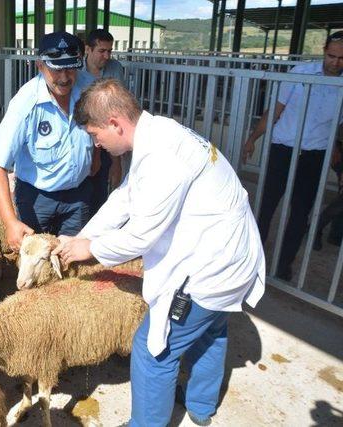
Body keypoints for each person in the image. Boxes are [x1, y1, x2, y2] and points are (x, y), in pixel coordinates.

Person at [54, 79, 266, 426]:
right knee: (210, 329)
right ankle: (200, 406)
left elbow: (139, 237)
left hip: (211, 269)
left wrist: (88, 250)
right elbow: (126, 196)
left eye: (95, 135)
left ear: (115, 123)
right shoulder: (158, 133)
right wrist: (84, 235)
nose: (96, 143)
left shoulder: (163, 158)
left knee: (153, 352)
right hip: (233, 255)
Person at [242, 31, 343, 280]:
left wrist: (337, 155)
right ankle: (253, 261)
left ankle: (283, 266)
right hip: (283, 150)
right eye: (332, 56)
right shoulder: (300, 73)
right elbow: (275, 111)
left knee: (300, 213)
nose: (336, 62)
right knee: (265, 206)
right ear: (324, 50)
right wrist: (252, 138)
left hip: (314, 155)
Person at [0, 31, 95, 250]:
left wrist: (98, 156)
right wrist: (11, 222)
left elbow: (100, 125)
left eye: (71, 67)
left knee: (74, 264)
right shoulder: (25, 103)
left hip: (79, 196)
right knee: (36, 268)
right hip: (38, 200)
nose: (65, 77)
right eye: (56, 68)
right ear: (40, 66)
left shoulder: (89, 89)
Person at [81, 29, 124, 216]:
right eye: (101, 51)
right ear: (88, 49)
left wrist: (117, 161)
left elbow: (117, 107)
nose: (107, 56)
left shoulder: (116, 68)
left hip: (106, 136)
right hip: (82, 135)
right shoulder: (76, 71)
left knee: (100, 186)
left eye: (109, 51)